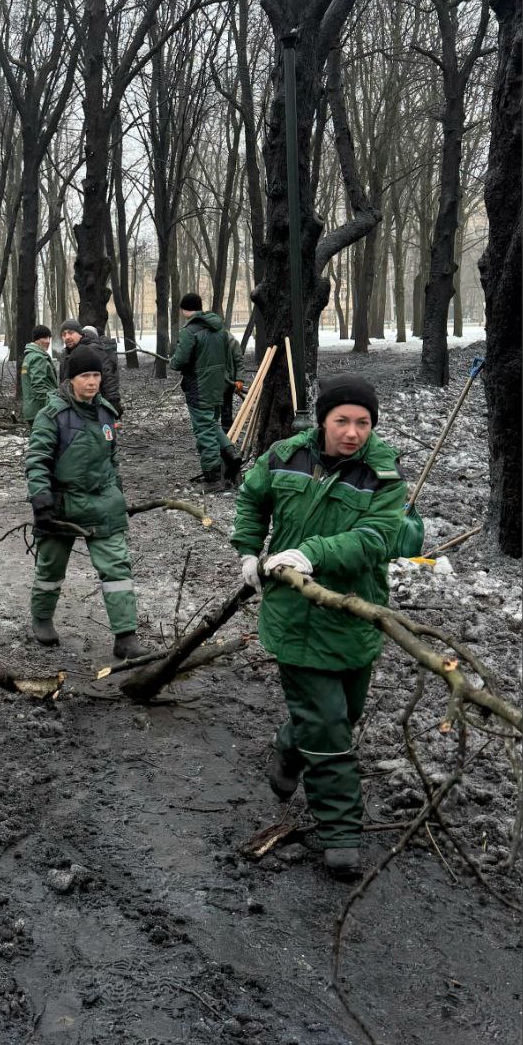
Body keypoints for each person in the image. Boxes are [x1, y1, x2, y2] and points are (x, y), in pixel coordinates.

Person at [230, 374, 406, 880]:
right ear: (323, 420)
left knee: (343, 714)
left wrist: (313, 552)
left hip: (353, 614)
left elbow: (376, 538)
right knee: (329, 726)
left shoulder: (382, 474)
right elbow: (251, 498)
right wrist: (247, 547)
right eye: (343, 420)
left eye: (363, 422)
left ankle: (289, 747)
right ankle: (341, 834)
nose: (353, 432)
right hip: (294, 618)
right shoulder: (285, 455)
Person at [26, 343, 144, 660]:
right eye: (85, 376)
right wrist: (41, 501)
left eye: (96, 375)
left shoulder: (106, 411)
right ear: (71, 379)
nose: (92, 382)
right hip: (62, 505)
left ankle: (125, 634)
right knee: (50, 567)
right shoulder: (53, 415)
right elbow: (37, 461)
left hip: (102, 502)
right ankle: (41, 618)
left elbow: (112, 459)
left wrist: (117, 494)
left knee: (117, 567)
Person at [168, 293, 240, 490]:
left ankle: (213, 478)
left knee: (204, 431)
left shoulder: (189, 331)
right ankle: (232, 457)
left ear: (184, 309)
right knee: (212, 425)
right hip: (219, 386)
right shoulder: (219, 329)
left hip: (199, 388)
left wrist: (172, 361)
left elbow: (180, 360)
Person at [59, 320, 123, 417]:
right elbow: (63, 380)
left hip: (94, 405)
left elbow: (108, 375)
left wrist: (113, 400)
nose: (67, 337)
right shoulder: (65, 354)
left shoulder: (92, 349)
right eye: (64, 334)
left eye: (71, 333)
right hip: (73, 405)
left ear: (80, 333)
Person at [20, 324, 58, 423]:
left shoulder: (29, 356)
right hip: (41, 410)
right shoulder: (38, 357)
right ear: (36, 340)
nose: (48, 341)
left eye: (49, 337)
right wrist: (50, 406)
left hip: (32, 409)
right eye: (44, 338)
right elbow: (38, 385)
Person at [221, 329, 245, 433]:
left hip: (228, 383)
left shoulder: (231, 341)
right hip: (212, 382)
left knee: (226, 410)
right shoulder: (207, 339)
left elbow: (239, 361)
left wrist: (239, 379)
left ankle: (228, 437)